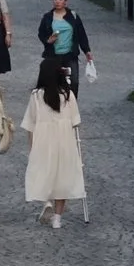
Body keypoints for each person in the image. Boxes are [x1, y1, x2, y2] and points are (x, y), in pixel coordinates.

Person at [22, 55, 86, 227]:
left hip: (43, 140)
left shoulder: (36, 96)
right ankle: (57, 218)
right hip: (64, 141)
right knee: (62, 176)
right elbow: (75, 122)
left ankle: (47, 202)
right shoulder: (68, 95)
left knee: (44, 172)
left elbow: (30, 124)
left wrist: (32, 147)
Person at [38, 0, 93, 87]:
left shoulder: (73, 16)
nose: (57, 2)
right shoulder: (48, 17)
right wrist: (48, 40)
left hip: (70, 55)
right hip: (53, 55)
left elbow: (81, 34)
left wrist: (87, 51)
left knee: (74, 82)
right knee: (54, 82)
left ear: (65, 1)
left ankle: (72, 101)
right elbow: (41, 33)